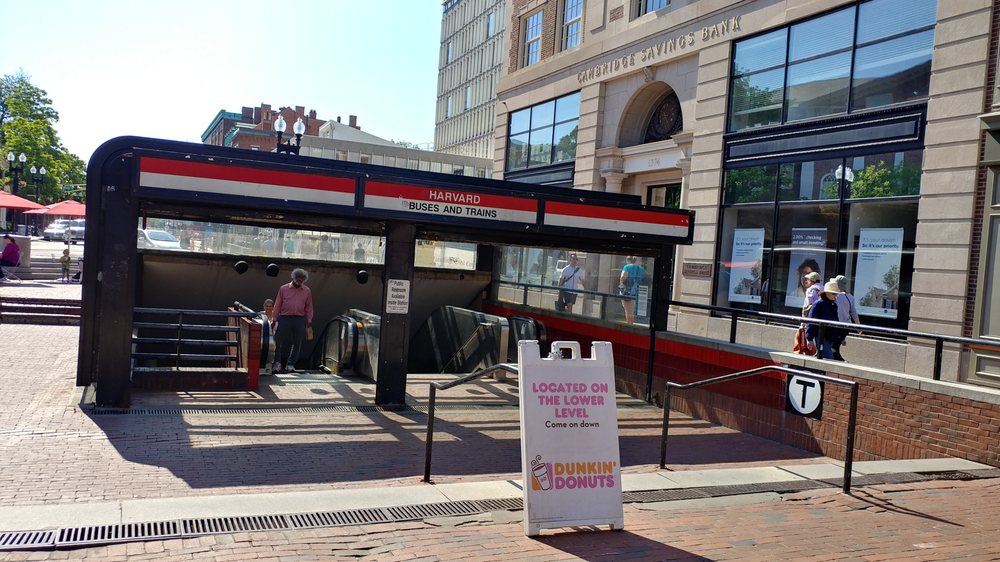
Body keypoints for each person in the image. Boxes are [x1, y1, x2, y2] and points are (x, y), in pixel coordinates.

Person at [271, 268, 313, 373]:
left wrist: (309, 319)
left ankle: (291, 364)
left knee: (297, 343)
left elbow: (309, 306)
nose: (300, 280)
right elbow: (277, 305)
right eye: (298, 277)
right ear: (293, 277)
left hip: (300, 319)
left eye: (302, 278)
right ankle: (277, 363)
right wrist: (274, 319)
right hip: (284, 318)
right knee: (278, 342)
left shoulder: (307, 291)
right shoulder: (283, 289)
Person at [806, 280, 847, 360]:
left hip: (829, 336)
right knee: (828, 358)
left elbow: (836, 321)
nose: (835, 296)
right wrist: (809, 338)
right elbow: (811, 321)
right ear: (827, 292)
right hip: (820, 335)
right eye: (833, 293)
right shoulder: (819, 304)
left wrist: (841, 337)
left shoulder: (833, 305)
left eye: (836, 294)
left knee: (823, 357)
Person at [832, 275, 861, 361]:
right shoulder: (850, 297)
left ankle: (841, 362)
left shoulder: (835, 296)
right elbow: (854, 313)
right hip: (846, 326)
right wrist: (858, 327)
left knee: (833, 347)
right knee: (836, 346)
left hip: (836, 325)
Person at [619, 255, 645, 323]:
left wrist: (621, 282)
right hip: (638, 291)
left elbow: (623, 277)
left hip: (629, 291)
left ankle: (629, 325)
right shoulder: (641, 269)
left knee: (628, 311)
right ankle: (632, 323)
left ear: (628, 260)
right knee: (632, 311)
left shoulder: (627, 267)